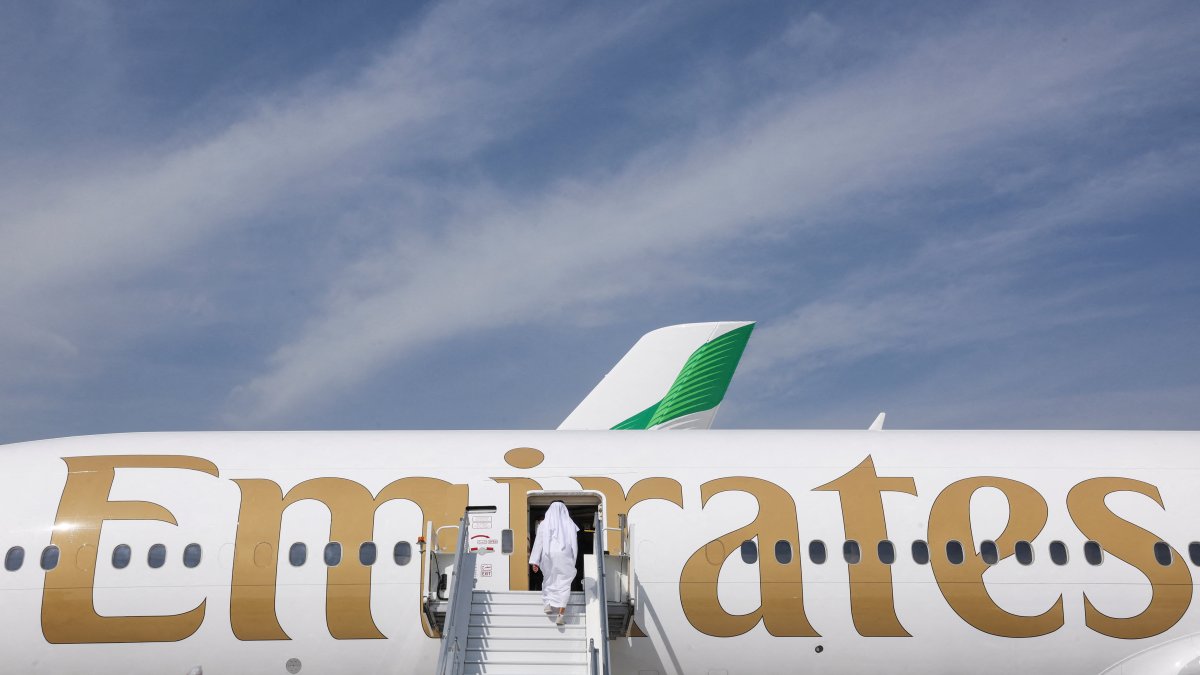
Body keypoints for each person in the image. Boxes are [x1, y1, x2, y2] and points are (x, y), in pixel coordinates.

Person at [529, 501, 579, 625]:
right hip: (565, 556)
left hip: (548, 555)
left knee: (548, 579)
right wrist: (573, 559)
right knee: (564, 584)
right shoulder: (570, 523)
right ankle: (561, 615)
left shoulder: (544, 524)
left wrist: (535, 561)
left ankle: (547, 604)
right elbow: (574, 543)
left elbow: (538, 543)